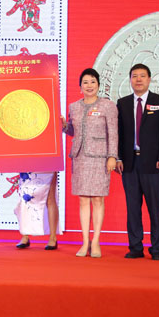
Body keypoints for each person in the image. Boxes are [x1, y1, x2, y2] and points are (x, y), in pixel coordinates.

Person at [116, 63, 159, 261]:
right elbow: (119, 134)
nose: (138, 79)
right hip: (129, 163)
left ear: (149, 79)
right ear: (130, 80)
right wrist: (119, 157)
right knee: (132, 208)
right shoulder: (122, 103)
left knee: (155, 208)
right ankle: (135, 247)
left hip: (154, 164)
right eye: (134, 76)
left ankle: (157, 248)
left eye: (142, 76)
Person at [62, 68, 118, 258]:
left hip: (100, 158)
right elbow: (73, 131)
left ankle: (96, 242)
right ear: (80, 86)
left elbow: (113, 133)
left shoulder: (108, 106)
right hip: (80, 158)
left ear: (98, 85)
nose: (89, 85)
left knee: (98, 199)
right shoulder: (74, 107)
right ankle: (85, 241)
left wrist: (112, 156)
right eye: (85, 82)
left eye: (93, 81)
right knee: (83, 199)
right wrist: (64, 126)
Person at [13, 172, 60, 250]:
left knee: (50, 198)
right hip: (27, 166)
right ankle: (25, 236)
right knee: (25, 197)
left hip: (48, 167)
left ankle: (53, 238)